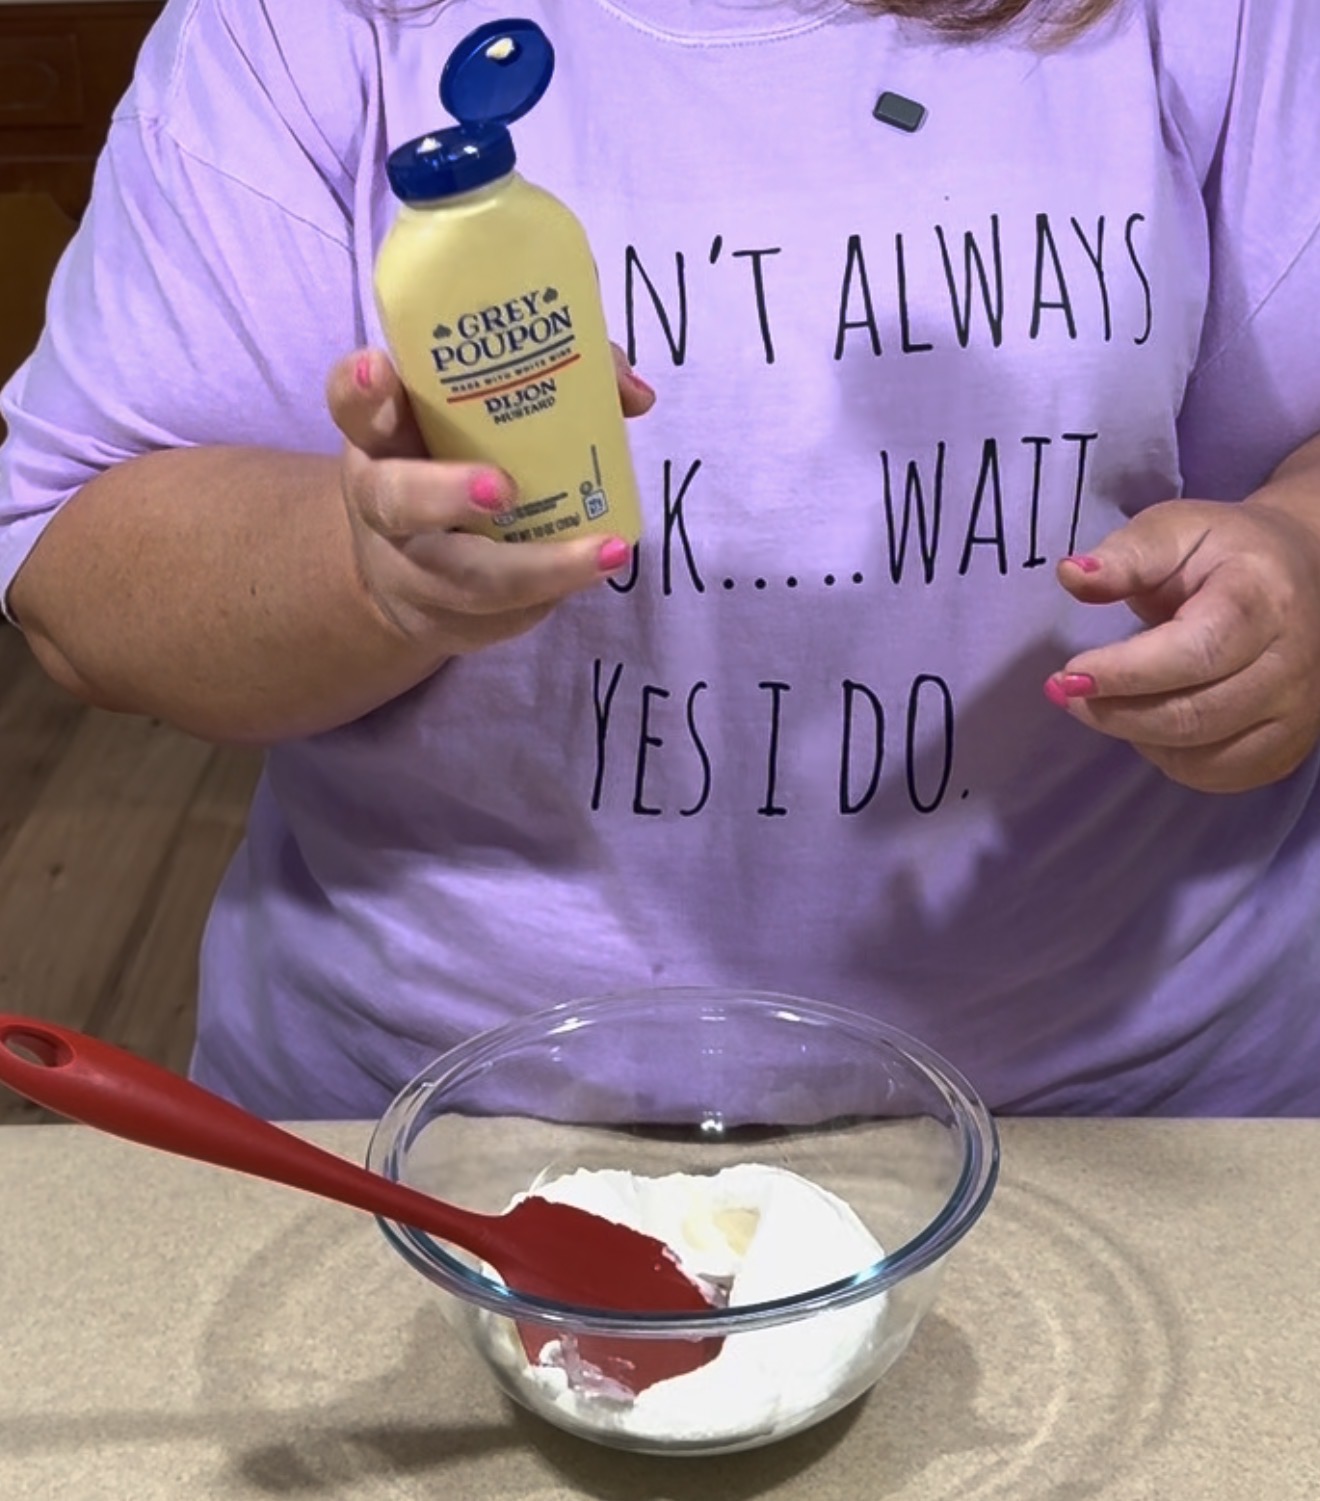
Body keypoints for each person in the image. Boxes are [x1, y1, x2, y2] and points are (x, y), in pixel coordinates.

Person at [2, 0, 1319, 1120]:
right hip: (439, 1136)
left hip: (1133, 1116)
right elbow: (75, 565)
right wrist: (365, 574)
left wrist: (1300, 562)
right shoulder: (303, 27)